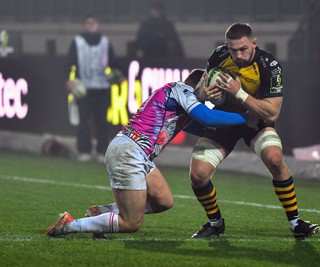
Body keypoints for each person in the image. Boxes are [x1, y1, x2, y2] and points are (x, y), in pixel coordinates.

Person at [46, 69, 253, 238]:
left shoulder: (181, 103)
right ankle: (70, 225)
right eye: (214, 88)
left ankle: (101, 214)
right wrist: (246, 117)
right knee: (132, 223)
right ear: (202, 82)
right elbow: (208, 118)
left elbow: (204, 127)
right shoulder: (181, 89)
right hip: (129, 152)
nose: (216, 95)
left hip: (136, 153)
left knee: (163, 201)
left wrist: (234, 129)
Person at [188, 23, 320, 240]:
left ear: (254, 43)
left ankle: (296, 222)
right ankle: (215, 223)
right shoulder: (218, 56)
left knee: (275, 158)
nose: (238, 54)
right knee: (198, 174)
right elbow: (201, 91)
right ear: (226, 46)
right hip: (225, 119)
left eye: (243, 49)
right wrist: (203, 93)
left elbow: (272, 113)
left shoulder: (269, 65)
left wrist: (238, 93)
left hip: (255, 120)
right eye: (233, 50)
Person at [66, 13, 117, 162]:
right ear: (85, 25)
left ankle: (102, 150)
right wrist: (68, 79)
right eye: (88, 23)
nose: (91, 26)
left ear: (97, 24)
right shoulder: (78, 41)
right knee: (83, 120)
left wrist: (119, 74)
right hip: (84, 87)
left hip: (101, 87)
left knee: (101, 120)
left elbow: (113, 61)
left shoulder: (105, 42)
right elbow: (69, 61)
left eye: (93, 23)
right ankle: (84, 150)